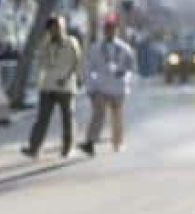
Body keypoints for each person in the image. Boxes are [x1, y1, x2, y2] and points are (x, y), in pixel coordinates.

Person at [22, 16, 83, 159]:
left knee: (68, 118)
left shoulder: (71, 42)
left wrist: (69, 78)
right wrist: (45, 43)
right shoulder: (46, 44)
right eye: (53, 27)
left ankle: (68, 148)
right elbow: (41, 62)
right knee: (42, 119)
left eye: (59, 26)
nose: (57, 29)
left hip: (66, 87)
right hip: (48, 86)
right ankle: (34, 148)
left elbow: (77, 62)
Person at [78, 17, 137, 156]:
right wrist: (90, 86)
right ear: (104, 30)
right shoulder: (96, 48)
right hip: (101, 87)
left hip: (118, 87)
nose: (110, 31)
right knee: (98, 114)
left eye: (112, 29)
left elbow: (131, 68)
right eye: (107, 29)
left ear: (116, 30)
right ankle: (90, 142)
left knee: (117, 116)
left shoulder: (124, 48)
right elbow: (89, 68)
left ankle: (118, 142)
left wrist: (125, 78)